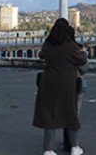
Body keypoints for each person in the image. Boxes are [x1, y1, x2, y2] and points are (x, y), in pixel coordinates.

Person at [33, 18, 88, 155]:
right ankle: (74, 147)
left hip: (49, 83)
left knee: (50, 116)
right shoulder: (70, 46)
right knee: (70, 114)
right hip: (68, 83)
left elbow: (42, 55)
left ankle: (48, 149)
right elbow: (82, 60)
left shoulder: (48, 44)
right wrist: (84, 52)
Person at [62, 26, 89, 152]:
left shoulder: (54, 47)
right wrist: (84, 53)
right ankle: (73, 144)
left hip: (59, 83)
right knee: (74, 113)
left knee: (63, 112)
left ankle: (66, 141)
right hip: (75, 82)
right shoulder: (76, 48)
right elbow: (83, 68)